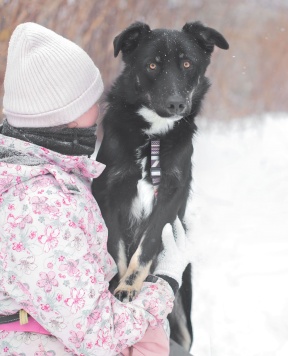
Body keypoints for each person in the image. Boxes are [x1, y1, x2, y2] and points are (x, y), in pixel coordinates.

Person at [0, 22, 191, 355]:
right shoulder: (41, 208)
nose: (102, 108)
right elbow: (97, 334)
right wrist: (167, 281)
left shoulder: (45, 176)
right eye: (94, 100)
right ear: (70, 116)